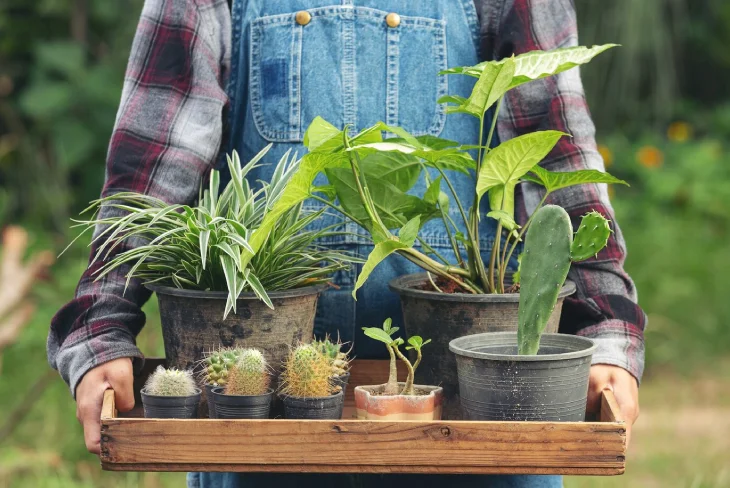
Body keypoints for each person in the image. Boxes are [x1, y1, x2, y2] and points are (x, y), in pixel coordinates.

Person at [49, 0, 644, 487]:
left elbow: (560, 159)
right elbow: (152, 167)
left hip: (482, 413)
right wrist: (101, 328)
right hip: (261, 417)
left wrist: (606, 330)